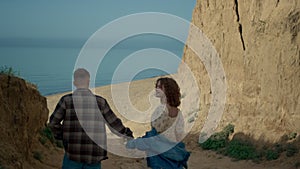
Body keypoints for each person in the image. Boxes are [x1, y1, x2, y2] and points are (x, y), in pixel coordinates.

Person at [49, 68, 133, 169]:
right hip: (94, 154)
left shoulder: (66, 100)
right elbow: (114, 124)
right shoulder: (100, 102)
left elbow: (53, 123)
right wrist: (127, 134)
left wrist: (62, 136)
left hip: (72, 152)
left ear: (74, 83)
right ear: (88, 82)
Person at [126, 77, 190, 169]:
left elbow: (154, 134)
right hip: (173, 152)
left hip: (160, 154)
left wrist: (133, 143)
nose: (156, 89)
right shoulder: (178, 112)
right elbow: (179, 135)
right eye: (156, 86)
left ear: (167, 90)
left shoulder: (161, 109)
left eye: (160, 86)